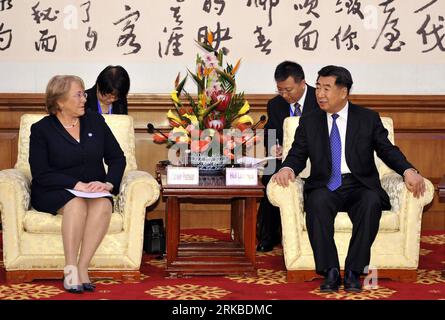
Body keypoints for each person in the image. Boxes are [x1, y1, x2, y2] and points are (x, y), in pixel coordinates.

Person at [272, 65, 425, 292]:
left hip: (359, 184)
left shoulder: (368, 119)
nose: (320, 94)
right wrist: (287, 168)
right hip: (325, 183)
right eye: (319, 87)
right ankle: (330, 270)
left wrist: (408, 170)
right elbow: (297, 154)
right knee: (317, 203)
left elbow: (387, 150)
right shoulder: (310, 121)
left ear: (343, 92)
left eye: (327, 88)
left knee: (370, 202)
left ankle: (354, 270)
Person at [29, 75, 126, 294]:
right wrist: (76, 184)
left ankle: (83, 267)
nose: (85, 98)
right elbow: (41, 173)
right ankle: (70, 268)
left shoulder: (95, 121)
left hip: (93, 190)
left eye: (84, 93)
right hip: (54, 189)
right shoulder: (41, 130)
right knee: (76, 205)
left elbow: (117, 158)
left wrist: (109, 184)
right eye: (79, 94)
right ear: (60, 101)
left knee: (103, 205)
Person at [257, 61, 319, 252]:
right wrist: (273, 146)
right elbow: (270, 131)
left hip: (314, 158)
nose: (285, 95)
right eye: (280, 90)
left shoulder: (320, 100)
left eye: (289, 90)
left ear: (303, 83)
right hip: (283, 159)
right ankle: (268, 235)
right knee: (269, 174)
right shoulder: (275, 104)